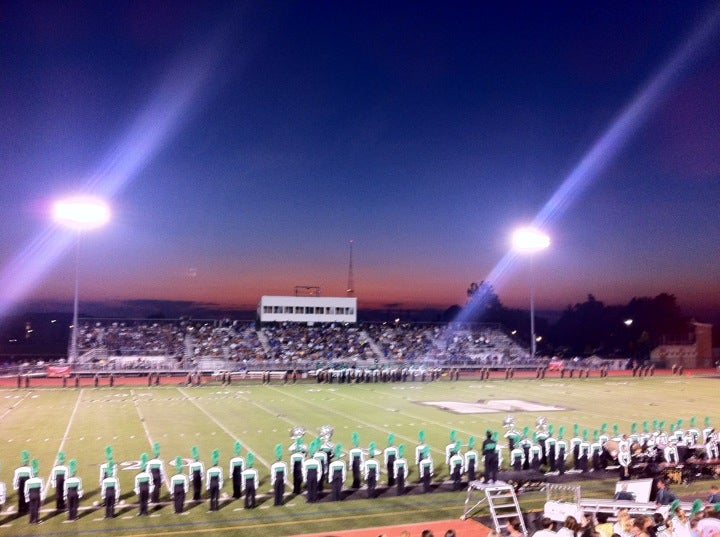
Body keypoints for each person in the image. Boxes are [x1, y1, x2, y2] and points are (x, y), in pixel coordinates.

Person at [24, 459, 44, 525]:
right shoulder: (40, 480)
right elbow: (42, 489)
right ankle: (36, 520)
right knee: (36, 508)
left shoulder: (28, 481)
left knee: (31, 508)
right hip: (37, 494)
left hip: (30, 495)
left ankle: (31, 520)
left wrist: (27, 498)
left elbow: (25, 491)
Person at [13, 450, 32, 515]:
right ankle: (27, 508)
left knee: (21, 497)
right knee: (27, 496)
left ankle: (21, 509)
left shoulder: (17, 469)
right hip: (27, 485)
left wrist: (15, 486)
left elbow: (15, 479)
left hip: (20, 485)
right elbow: (31, 477)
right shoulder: (30, 469)